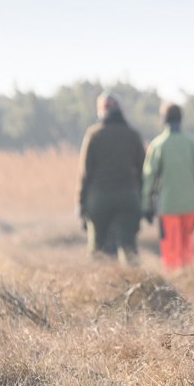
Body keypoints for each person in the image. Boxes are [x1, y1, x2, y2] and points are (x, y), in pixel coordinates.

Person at [141, 103, 194, 271]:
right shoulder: (193, 144)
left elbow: (149, 177)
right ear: (181, 119)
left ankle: (174, 287)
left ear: (164, 119)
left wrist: (146, 205)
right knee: (187, 247)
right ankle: (189, 282)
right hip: (191, 206)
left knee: (170, 251)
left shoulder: (158, 145)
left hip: (167, 206)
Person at [77, 92, 147, 263]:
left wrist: (80, 202)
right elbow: (143, 170)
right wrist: (142, 199)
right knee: (129, 249)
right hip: (128, 197)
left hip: (99, 198)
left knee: (97, 250)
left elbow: (85, 173)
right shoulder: (133, 135)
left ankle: (100, 285)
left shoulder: (93, 134)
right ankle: (134, 284)